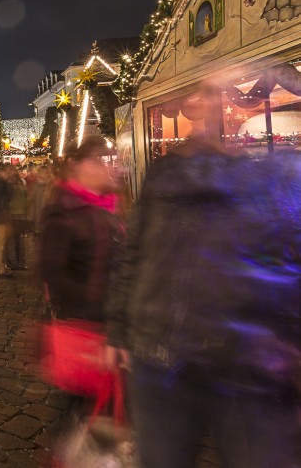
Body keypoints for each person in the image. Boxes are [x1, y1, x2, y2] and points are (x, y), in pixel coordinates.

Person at [106, 137, 301, 468]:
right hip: (159, 356)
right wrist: (117, 331)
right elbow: (132, 256)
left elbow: (285, 266)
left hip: (244, 368)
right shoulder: (162, 177)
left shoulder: (264, 183)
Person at [37, 138, 121, 323]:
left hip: (109, 321)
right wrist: (96, 302)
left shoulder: (111, 206)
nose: (105, 168)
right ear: (77, 166)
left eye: (108, 162)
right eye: (95, 162)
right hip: (79, 321)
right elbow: (52, 272)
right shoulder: (64, 210)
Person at [5, 166, 29, 270]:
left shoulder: (10, 184)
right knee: (16, 240)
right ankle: (16, 262)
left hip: (14, 214)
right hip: (18, 214)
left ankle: (12, 262)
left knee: (12, 240)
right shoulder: (21, 183)